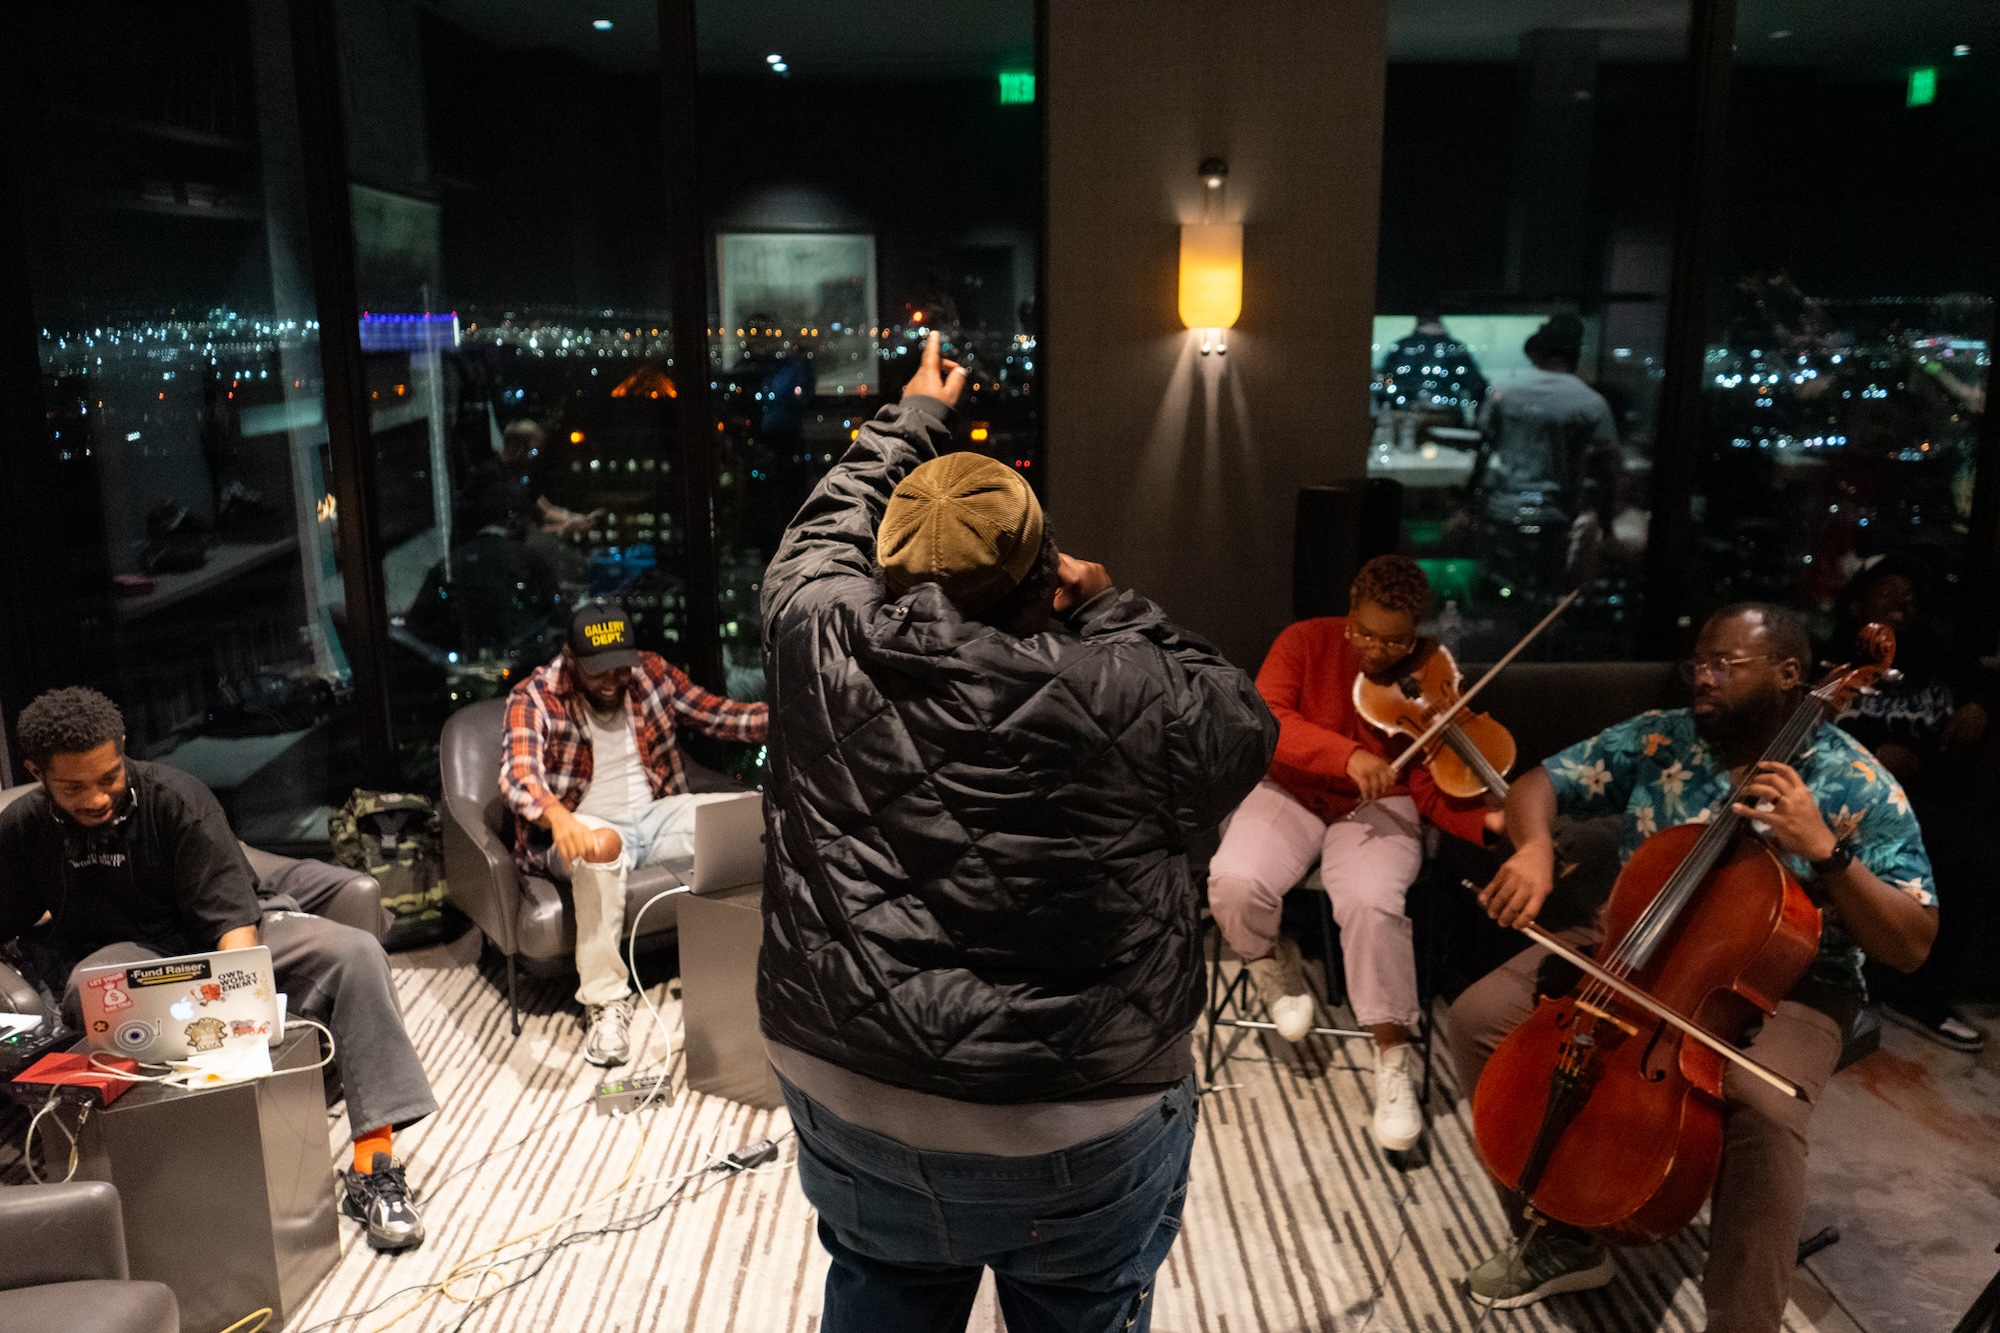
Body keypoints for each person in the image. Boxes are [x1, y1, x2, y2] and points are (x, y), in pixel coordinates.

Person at [756, 333, 1275, 1333]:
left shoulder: (813, 630)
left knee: (884, 1286)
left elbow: (822, 522)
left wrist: (912, 414)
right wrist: (1116, 606)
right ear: (1048, 569)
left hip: (849, 1085)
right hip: (1076, 1119)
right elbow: (1241, 725)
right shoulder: (1133, 688)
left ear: (885, 565)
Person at [1448, 604, 1937, 1326]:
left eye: (1723, 666)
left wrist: (1829, 852)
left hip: (1794, 977)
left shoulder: (1854, 783)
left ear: (1790, 675)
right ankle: (1562, 1234)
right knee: (1479, 1017)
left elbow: (1913, 940)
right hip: (1636, 936)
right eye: (1697, 663)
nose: (1701, 679)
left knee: (1763, 1107)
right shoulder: (1660, 736)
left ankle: (1742, 1319)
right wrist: (1535, 847)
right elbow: (1539, 784)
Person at [0, 687, 436, 1252]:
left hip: (220, 937)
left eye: (108, 777)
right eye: (74, 787)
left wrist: (236, 1019)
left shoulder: (178, 799)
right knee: (92, 991)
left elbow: (234, 931)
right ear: (37, 773)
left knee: (356, 953)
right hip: (125, 957)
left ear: (123, 748)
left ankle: (372, 1164)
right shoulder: (23, 828)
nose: (97, 796)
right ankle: (163, 1174)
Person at [1207, 554, 1503, 1152]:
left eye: (1394, 639)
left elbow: (1427, 779)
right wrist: (1346, 755)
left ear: (1415, 631)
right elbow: (1267, 717)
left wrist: (1489, 822)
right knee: (1234, 879)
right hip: (1291, 786)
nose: (1375, 649)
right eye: (1364, 632)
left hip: (1381, 802)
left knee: (1372, 903)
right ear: (1348, 616)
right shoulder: (1304, 642)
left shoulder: (1431, 672)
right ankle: (1270, 963)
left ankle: (1392, 1055)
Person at [500, 601, 768, 1067]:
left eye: (619, 668)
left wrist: (792, 715)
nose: (611, 680)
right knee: (604, 845)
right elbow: (518, 775)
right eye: (598, 671)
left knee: (756, 816)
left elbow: (720, 716)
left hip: (654, 818)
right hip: (583, 830)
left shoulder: (649, 673)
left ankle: (768, 959)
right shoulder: (535, 695)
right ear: (573, 660)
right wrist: (559, 818)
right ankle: (604, 1001)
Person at [1823, 554, 1992, 1052]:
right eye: (1887, 591)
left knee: (1970, 857)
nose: (1903, 601)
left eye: (1909, 593)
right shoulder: (1832, 659)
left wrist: (1981, 703)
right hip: (1848, 801)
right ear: (1858, 605)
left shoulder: (1933, 655)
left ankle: (1919, 995)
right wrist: (1874, 755)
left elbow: (1980, 677)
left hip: (1920, 804)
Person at [1476, 315, 1618, 591]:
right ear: (1576, 354)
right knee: (1548, 590)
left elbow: (1483, 451)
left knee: (1498, 590)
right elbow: (1607, 469)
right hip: (1555, 516)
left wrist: (1470, 503)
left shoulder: (1504, 391)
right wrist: (1607, 525)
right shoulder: (1591, 401)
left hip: (1502, 509)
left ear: (1538, 349)